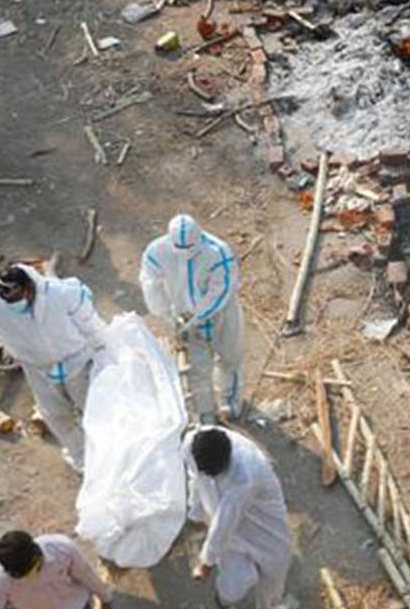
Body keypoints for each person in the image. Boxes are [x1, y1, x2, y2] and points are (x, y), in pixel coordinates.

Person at [0, 265, 105, 470]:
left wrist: (104, 351)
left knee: (95, 409)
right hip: (38, 369)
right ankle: (81, 456)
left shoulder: (63, 294)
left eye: (15, 296)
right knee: (57, 415)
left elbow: (90, 325)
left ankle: (110, 452)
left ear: (29, 288)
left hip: (77, 361)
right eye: (6, 298)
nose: (11, 302)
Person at [139, 214, 245, 420]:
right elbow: (150, 283)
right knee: (197, 369)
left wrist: (196, 317)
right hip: (183, 316)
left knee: (230, 357)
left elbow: (220, 291)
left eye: (191, 248)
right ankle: (205, 413)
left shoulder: (218, 252)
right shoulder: (156, 252)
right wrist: (165, 313)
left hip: (221, 312)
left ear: (200, 237)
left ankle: (230, 401)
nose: (186, 253)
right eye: (180, 249)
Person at [183, 426, 291, 609]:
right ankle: (224, 603)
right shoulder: (190, 445)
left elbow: (225, 521)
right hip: (227, 525)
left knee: (273, 575)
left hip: (263, 524)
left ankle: (270, 604)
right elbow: (196, 479)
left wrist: (206, 562)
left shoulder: (246, 474)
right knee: (232, 586)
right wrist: (196, 513)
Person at [0, 530, 113, 609]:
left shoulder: (62, 549)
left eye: (31, 570)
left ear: (37, 555)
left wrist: (105, 598)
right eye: (21, 575)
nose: (29, 577)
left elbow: (86, 574)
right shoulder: (1, 580)